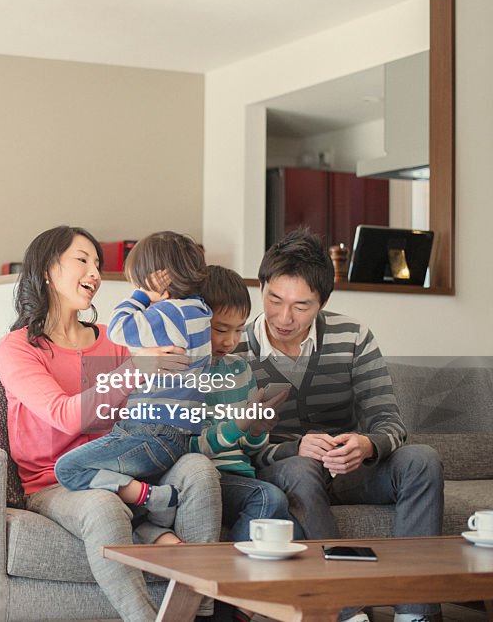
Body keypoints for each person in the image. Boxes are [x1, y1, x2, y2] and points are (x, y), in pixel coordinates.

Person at [0, 225, 221, 622]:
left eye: (98, 264)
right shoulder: (18, 347)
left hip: (125, 459)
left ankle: (198, 613)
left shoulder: (111, 340)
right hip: (57, 480)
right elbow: (66, 416)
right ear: (47, 270)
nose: (96, 274)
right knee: (102, 505)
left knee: (199, 470)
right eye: (82, 260)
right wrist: (136, 367)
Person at [234, 228, 443, 622]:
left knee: (422, 460)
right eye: (274, 300)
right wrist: (294, 447)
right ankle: (348, 610)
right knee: (300, 466)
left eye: (302, 305)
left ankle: (416, 612)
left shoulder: (352, 336)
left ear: (323, 302)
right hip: (285, 470)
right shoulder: (236, 347)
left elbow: (390, 422)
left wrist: (366, 445)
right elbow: (233, 443)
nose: (284, 317)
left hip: (349, 470)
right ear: (260, 288)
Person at [52, 231, 213, 527]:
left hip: (150, 431)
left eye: (138, 281)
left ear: (158, 278)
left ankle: (155, 498)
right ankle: (156, 507)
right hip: (173, 434)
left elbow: (118, 328)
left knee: (69, 468)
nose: (136, 289)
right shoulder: (200, 313)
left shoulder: (170, 313)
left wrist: (143, 296)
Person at [194, 265, 298, 545]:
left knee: (293, 526)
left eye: (239, 329)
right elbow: (188, 447)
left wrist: (255, 430)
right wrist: (237, 424)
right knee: (268, 498)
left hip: (242, 474)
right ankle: (226, 578)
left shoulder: (240, 368)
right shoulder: (181, 374)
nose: (231, 341)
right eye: (221, 329)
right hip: (207, 479)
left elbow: (253, 450)